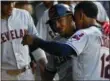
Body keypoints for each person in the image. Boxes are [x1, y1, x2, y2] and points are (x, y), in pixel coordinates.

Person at [22, 2, 110, 80]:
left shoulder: (85, 34)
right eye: (53, 23)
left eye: (60, 20)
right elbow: (48, 74)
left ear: (71, 17)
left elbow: (62, 50)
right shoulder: (54, 43)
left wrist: (36, 41)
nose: (57, 25)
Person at [1, 1, 38, 80]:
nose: (11, 6)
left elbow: (35, 40)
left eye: (13, 2)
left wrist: (40, 61)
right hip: (4, 75)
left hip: (27, 72)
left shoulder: (24, 14)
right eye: (6, 3)